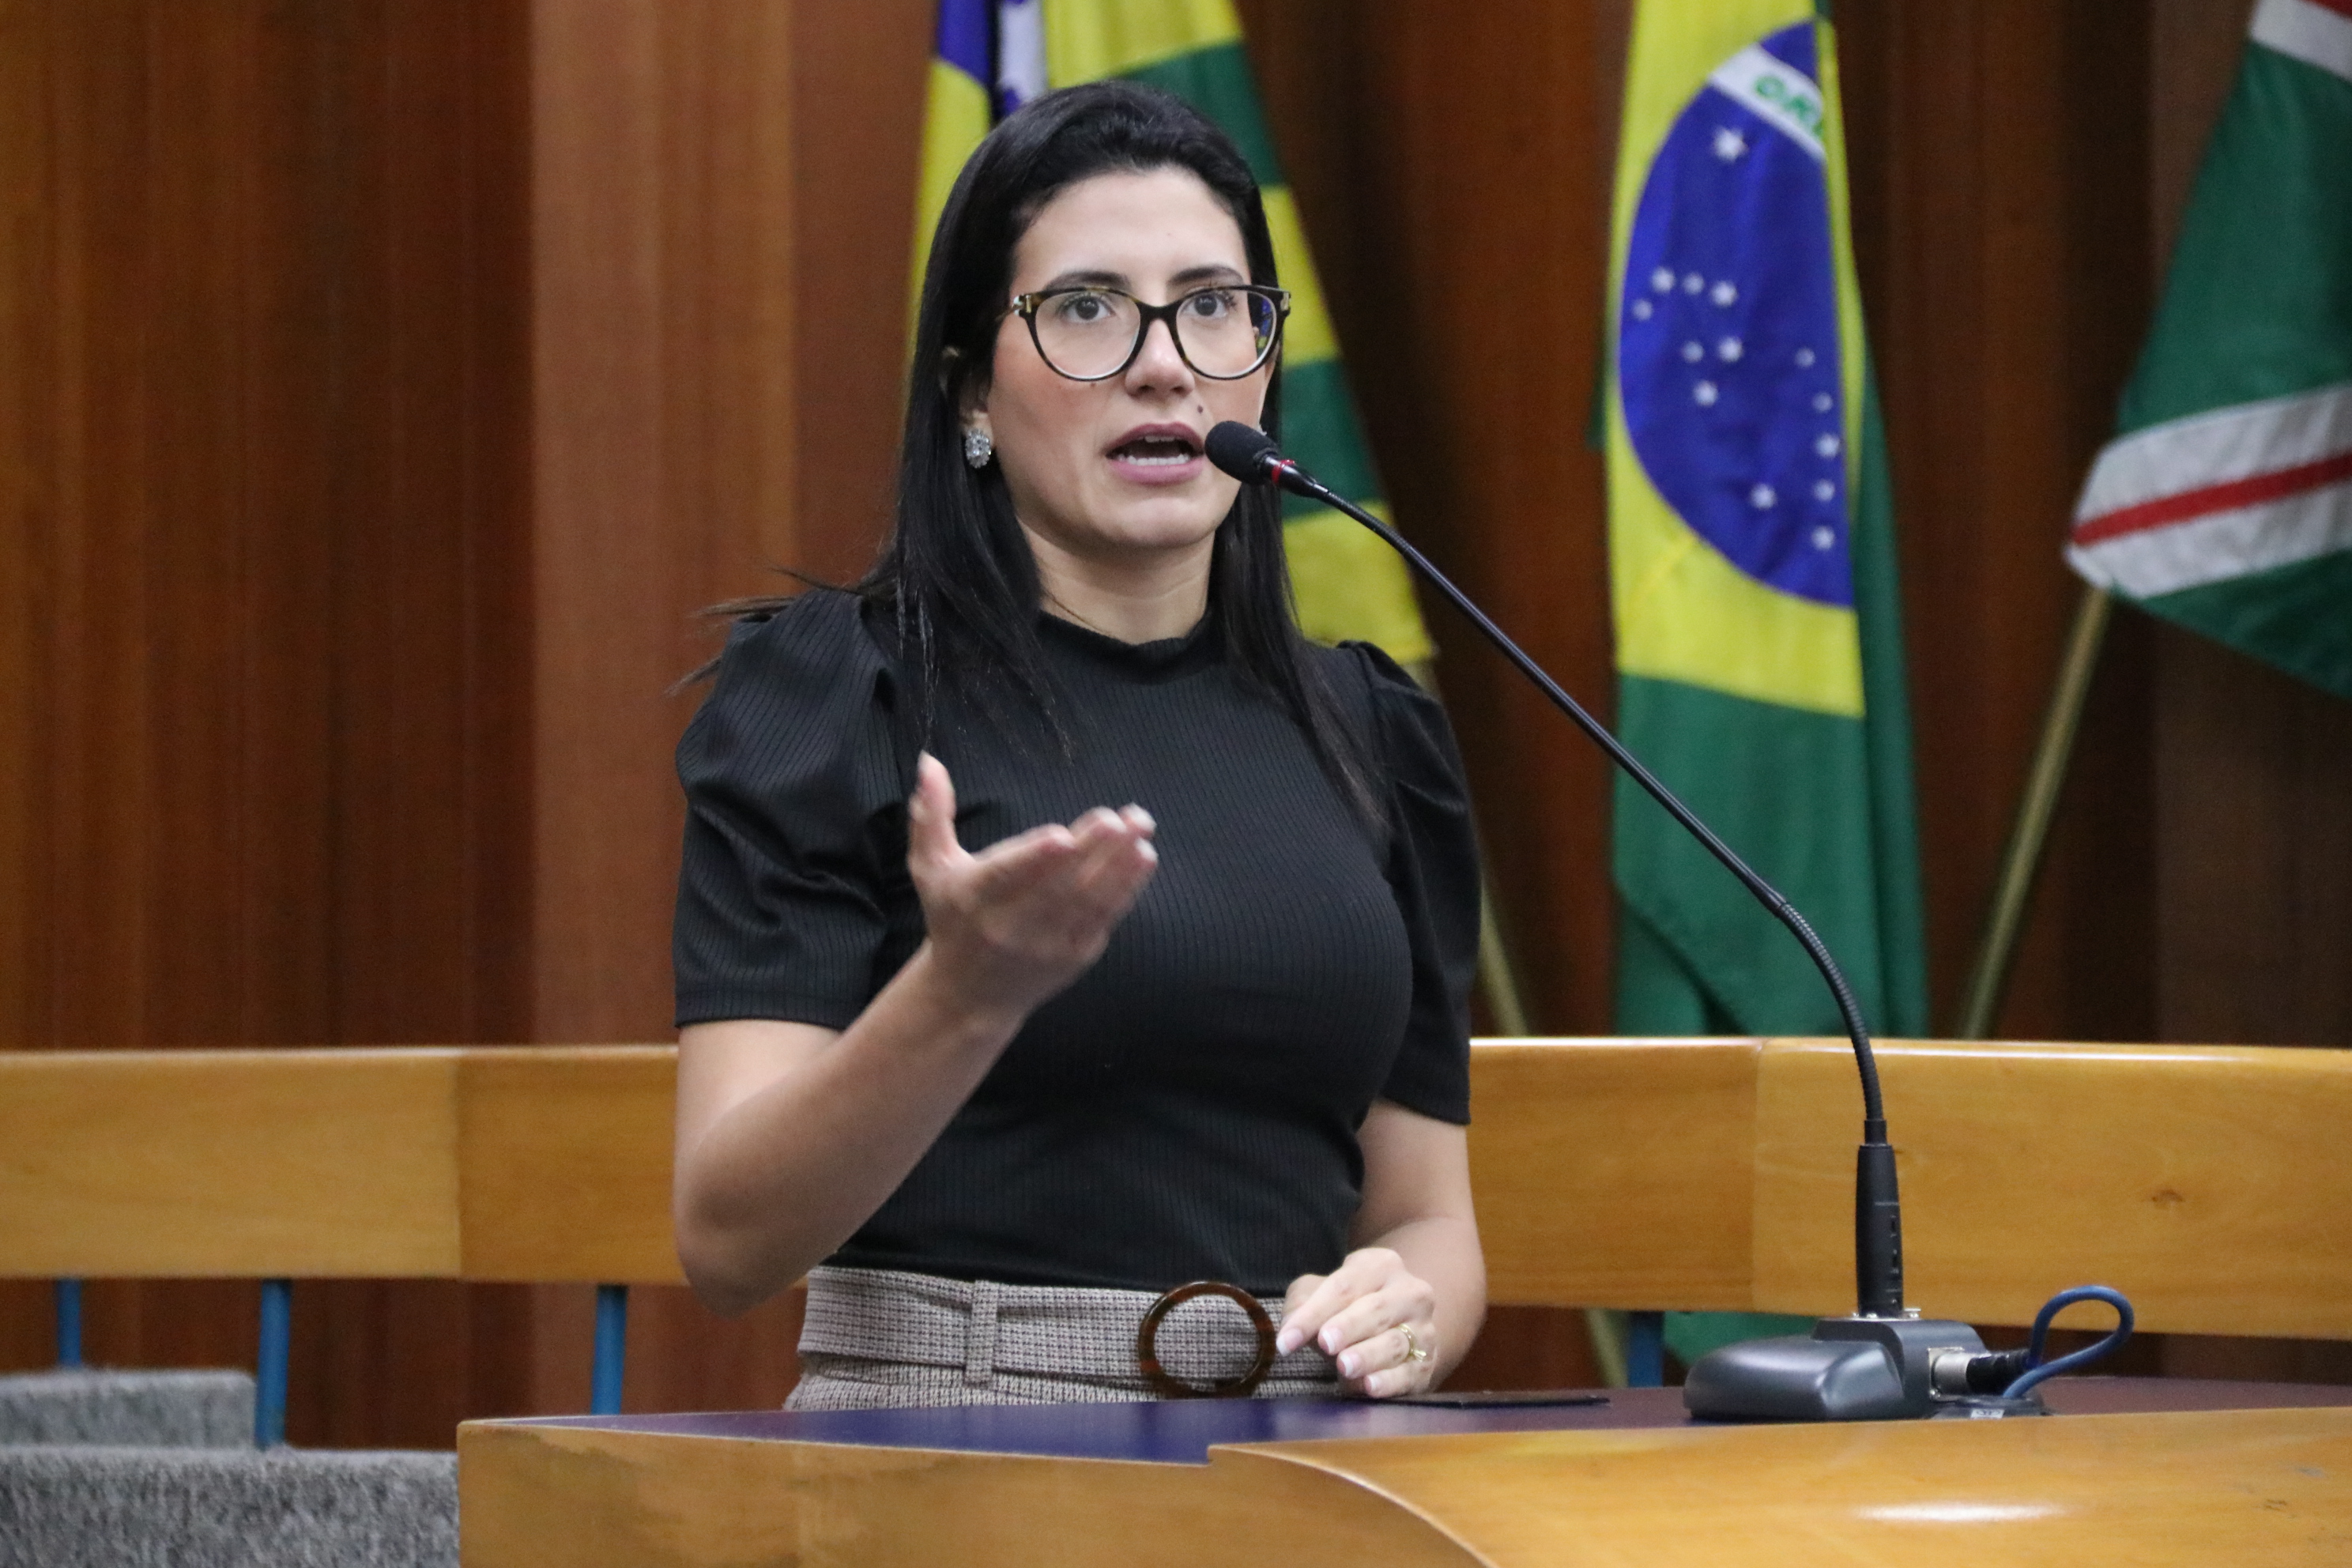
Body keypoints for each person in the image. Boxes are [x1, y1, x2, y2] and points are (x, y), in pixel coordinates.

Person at [669, 80, 1484, 1411]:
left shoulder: (1374, 734)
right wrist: (965, 992)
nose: (1166, 363)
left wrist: (1411, 1312)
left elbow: (1426, 1218)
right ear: (970, 394)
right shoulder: (838, 694)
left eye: (1214, 305)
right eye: (1088, 308)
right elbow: (727, 1241)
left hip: (1301, 1448)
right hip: (952, 1432)